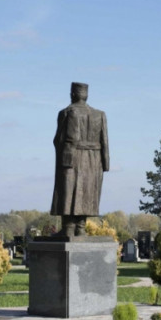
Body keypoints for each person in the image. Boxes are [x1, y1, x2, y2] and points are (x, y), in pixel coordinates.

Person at [50, 82, 109, 237]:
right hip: (94, 160)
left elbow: (58, 139)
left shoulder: (66, 112)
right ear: (86, 95)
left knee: (68, 191)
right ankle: (81, 228)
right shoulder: (100, 114)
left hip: (71, 157)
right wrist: (105, 163)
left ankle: (69, 227)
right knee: (88, 191)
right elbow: (105, 142)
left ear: (73, 94)